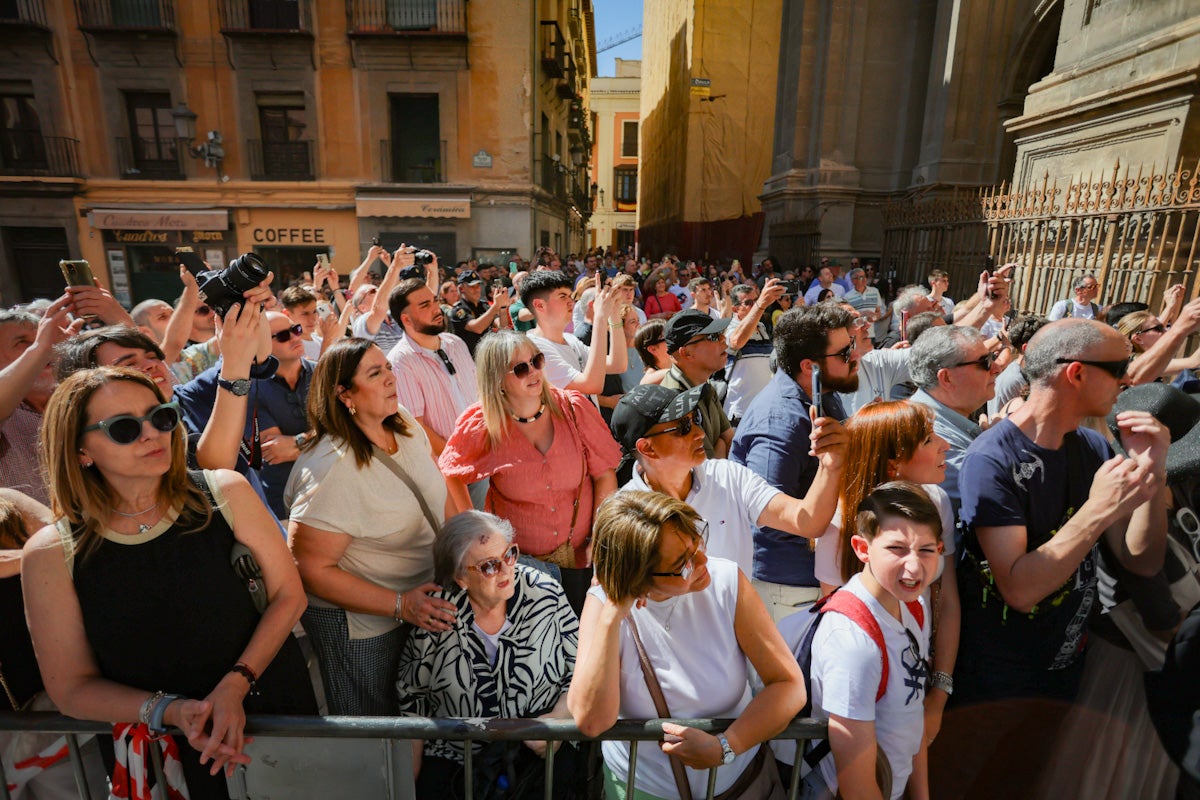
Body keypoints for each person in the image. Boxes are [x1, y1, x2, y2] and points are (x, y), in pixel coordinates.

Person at [23, 367, 317, 799]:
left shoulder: (225, 492)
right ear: (80, 449)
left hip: (273, 720)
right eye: (123, 428)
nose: (151, 434)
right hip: (163, 756)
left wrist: (235, 684)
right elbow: (71, 687)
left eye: (161, 417)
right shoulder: (52, 552)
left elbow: (289, 597)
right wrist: (174, 712)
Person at [931, 318, 1170, 799]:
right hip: (994, 681)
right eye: (1118, 367)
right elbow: (1019, 589)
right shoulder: (992, 459)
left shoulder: (1092, 447)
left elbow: (1140, 560)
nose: (1128, 379)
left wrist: (1153, 475)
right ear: (1076, 373)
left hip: (1062, 673)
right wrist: (1100, 505)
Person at [569, 490, 805, 799]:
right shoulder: (604, 608)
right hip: (641, 789)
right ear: (639, 577)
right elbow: (591, 722)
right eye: (683, 563)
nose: (703, 560)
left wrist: (726, 745)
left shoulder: (727, 583)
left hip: (739, 786)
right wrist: (611, 618)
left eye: (697, 540)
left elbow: (789, 685)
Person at [286, 338, 455, 715]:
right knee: (379, 730)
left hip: (422, 603)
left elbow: (437, 489)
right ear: (344, 394)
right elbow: (308, 569)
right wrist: (399, 605)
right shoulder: (332, 469)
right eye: (375, 373)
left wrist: (461, 551)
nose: (390, 379)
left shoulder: (405, 422)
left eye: (388, 368)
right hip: (366, 627)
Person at [396, 510, 581, 799]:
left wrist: (558, 721)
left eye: (510, 555)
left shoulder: (545, 594)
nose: (508, 570)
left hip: (538, 752)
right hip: (458, 757)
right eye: (489, 566)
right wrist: (411, 781)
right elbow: (412, 698)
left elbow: (581, 671)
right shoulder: (438, 612)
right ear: (460, 578)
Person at [439, 330, 621, 614]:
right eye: (521, 368)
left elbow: (604, 475)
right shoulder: (483, 422)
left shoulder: (573, 409)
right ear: (497, 379)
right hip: (521, 567)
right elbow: (452, 473)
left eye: (536, 361)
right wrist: (478, 532)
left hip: (582, 558)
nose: (534, 372)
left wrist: (600, 539)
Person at [811, 401, 960, 746]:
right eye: (928, 441)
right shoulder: (839, 519)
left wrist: (938, 693)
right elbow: (833, 614)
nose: (945, 445)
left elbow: (947, 599)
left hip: (918, 681)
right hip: (863, 689)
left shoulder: (937, 501)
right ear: (894, 465)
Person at [794, 482, 938, 800]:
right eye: (897, 549)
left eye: (926, 550)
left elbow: (913, 719)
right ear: (862, 549)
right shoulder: (852, 642)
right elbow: (856, 786)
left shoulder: (914, 604)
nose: (914, 567)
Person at [611, 383, 846, 576]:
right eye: (683, 427)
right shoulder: (620, 515)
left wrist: (830, 465)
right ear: (647, 448)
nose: (700, 433)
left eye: (697, 419)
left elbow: (806, 521)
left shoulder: (729, 477)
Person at [731, 304, 859, 622]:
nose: (855, 357)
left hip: (811, 579)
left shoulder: (823, 396)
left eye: (852, 346)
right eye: (845, 353)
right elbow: (770, 520)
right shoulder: (781, 419)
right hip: (788, 589)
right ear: (809, 367)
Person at [908, 325, 1001, 513]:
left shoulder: (938, 417)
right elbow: (998, 495)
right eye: (985, 362)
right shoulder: (931, 436)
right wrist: (1003, 441)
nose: (996, 368)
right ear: (947, 378)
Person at [660, 310, 735, 458]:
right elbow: (709, 468)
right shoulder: (676, 402)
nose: (723, 339)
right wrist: (720, 444)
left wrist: (721, 444)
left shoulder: (705, 386)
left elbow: (730, 441)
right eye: (713, 337)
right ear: (686, 353)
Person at [724, 281, 785, 426]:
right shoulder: (729, 326)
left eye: (756, 300)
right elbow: (736, 342)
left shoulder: (762, 327)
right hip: (740, 413)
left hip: (764, 411)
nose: (755, 305)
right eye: (749, 302)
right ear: (735, 308)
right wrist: (761, 305)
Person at [634, 320, 672, 385]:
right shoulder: (650, 381)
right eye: (668, 337)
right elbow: (645, 383)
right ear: (653, 349)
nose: (674, 340)